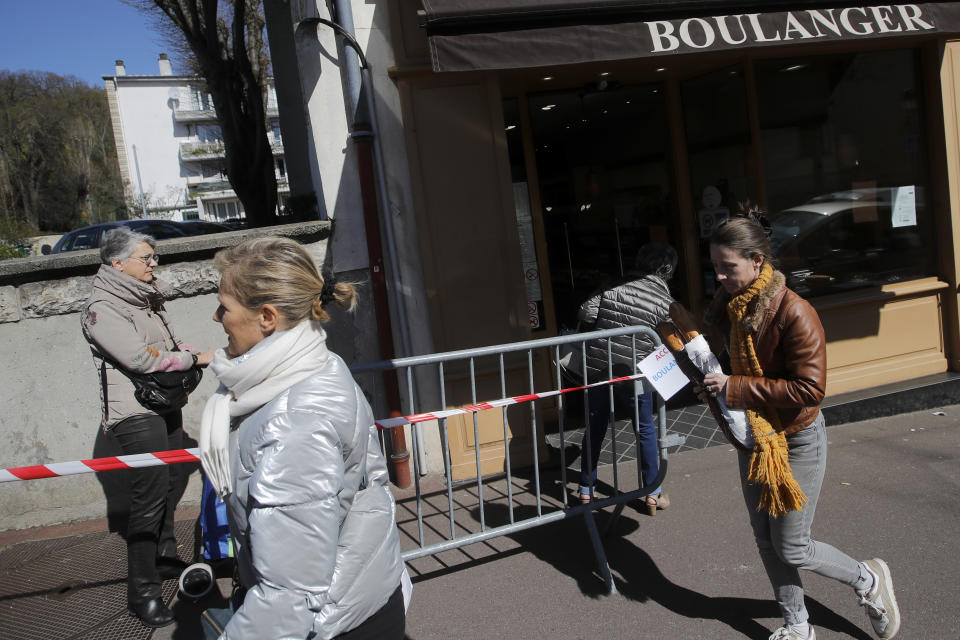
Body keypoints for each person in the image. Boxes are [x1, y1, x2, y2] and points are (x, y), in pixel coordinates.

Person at [697, 209, 900, 640]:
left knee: (792, 544)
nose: (718, 276)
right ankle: (798, 625)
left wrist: (734, 387)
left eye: (727, 267)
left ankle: (867, 580)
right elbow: (729, 371)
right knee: (766, 540)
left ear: (756, 261)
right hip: (754, 436)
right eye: (714, 266)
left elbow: (809, 391)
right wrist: (713, 386)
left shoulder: (795, 311)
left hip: (797, 438)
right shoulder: (730, 308)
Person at [199, 237, 407, 640]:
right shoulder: (311, 362)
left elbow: (288, 594)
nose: (216, 316)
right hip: (353, 598)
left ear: (267, 317)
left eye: (224, 306)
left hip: (330, 623)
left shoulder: (296, 422)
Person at [81, 228, 214, 628]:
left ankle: (165, 557)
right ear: (116, 263)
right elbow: (141, 358)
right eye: (146, 258)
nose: (154, 263)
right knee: (149, 497)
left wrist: (186, 354)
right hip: (134, 414)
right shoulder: (102, 307)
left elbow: (169, 345)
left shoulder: (144, 298)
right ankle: (143, 593)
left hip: (161, 402)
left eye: (153, 257)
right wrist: (194, 360)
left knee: (170, 482)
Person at [576, 242, 677, 514]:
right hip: (635, 371)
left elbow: (586, 312)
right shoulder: (664, 299)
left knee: (595, 423)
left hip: (599, 366)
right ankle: (652, 493)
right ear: (666, 269)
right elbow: (670, 336)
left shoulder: (613, 285)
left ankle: (586, 488)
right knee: (644, 428)